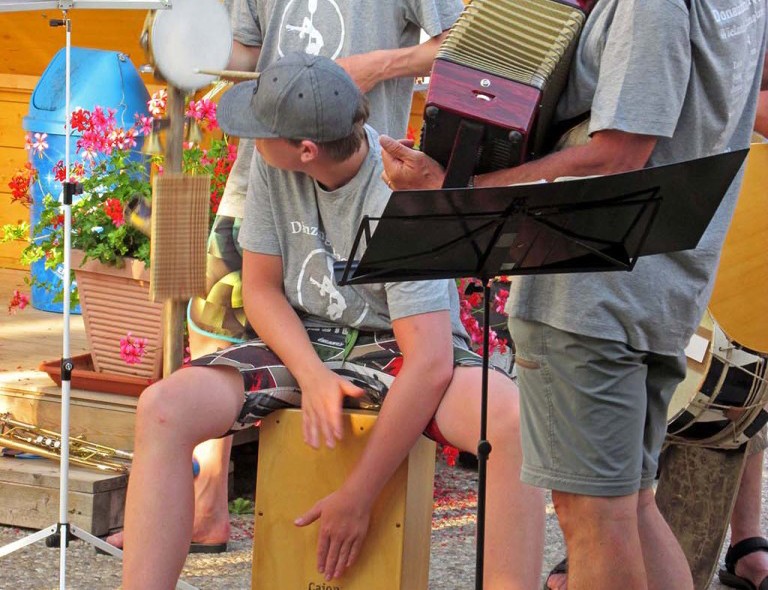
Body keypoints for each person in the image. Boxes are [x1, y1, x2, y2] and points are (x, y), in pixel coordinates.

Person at [380, 1, 768, 589]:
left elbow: (619, 153)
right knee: (632, 504)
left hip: (591, 293)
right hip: (655, 283)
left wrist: (459, 190)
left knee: (594, 516)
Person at [121, 53, 544, 590]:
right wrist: (314, 376)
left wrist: (358, 496)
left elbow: (431, 360)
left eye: (260, 129)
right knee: (163, 407)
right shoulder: (274, 167)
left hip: (398, 344)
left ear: (307, 149)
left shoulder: (399, 187)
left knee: (508, 418)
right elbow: (260, 291)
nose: (248, 138)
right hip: (304, 340)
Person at [106, 0, 465, 553]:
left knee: (391, 334)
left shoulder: (396, 193)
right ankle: (205, 509)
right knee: (214, 330)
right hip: (271, 168)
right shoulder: (271, 163)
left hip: (352, 168)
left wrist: (372, 67)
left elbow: (463, 47)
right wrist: (187, 44)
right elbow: (247, 52)